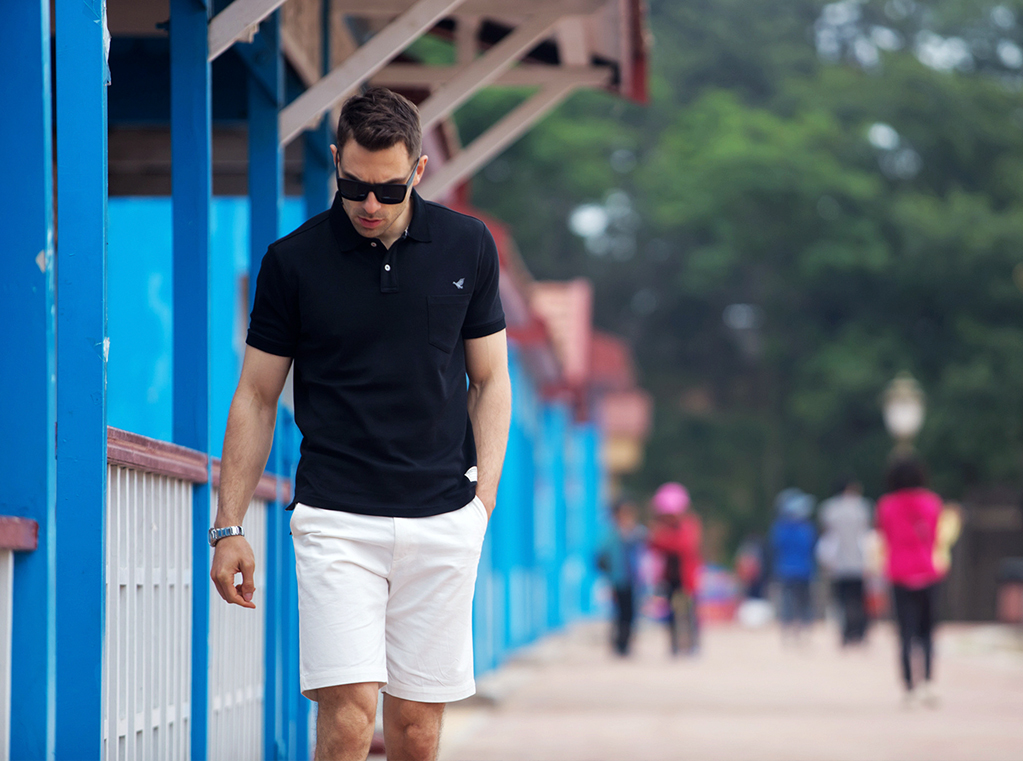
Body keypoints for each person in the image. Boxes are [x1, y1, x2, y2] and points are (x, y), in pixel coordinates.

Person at [208, 88, 512, 761]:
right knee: (348, 721)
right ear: (336, 163)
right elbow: (256, 395)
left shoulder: (467, 247)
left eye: (388, 188)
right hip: (336, 519)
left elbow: (491, 380)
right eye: (353, 186)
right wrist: (228, 526)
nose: (369, 204)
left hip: (443, 519)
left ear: (418, 171)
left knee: (416, 733)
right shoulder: (293, 262)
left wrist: (482, 501)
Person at [876, 457, 942, 707]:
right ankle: (928, 682)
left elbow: (885, 535)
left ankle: (909, 687)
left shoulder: (886, 505)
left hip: (899, 572)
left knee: (905, 632)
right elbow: (934, 536)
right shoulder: (932, 502)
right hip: (927, 569)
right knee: (927, 632)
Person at [648, 482, 702, 656]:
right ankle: (675, 646)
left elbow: (683, 545)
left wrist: (662, 538)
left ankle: (693, 645)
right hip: (669, 579)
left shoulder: (688, 525)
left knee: (689, 613)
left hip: (686, 580)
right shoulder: (663, 529)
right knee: (671, 614)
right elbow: (653, 545)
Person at [817, 479, 873, 646]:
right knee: (860, 600)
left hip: (838, 564)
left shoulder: (829, 509)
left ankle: (845, 634)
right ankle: (859, 633)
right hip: (860, 562)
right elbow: (866, 535)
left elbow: (828, 537)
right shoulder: (863, 507)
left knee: (841, 600)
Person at [597, 498, 647, 656]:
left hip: (634, 579)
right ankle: (619, 644)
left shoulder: (637, 532)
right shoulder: (611, 534)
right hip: (617, 579)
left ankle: (627, 643)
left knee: (632, 613)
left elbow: (647, 544)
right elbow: (602, 555)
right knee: (619, 612)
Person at [770, 488, 817, 643]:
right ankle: (803, 630)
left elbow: (776, 547)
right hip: (803, 570)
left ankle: (788, 630)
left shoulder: (780, 528)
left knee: (788, 602)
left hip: (786, 570)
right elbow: (811, 548)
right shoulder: (806, 528)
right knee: (803, 603)